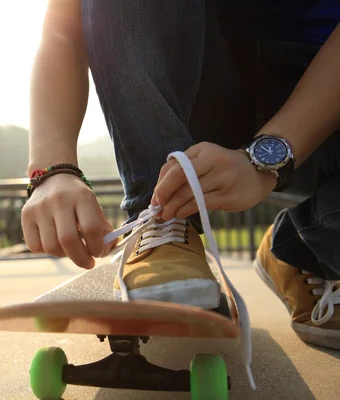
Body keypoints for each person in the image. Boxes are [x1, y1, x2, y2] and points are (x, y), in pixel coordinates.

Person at [21, 0, 340, 350]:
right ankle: (167, 225)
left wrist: (267, 158)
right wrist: (54, 170)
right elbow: (62, 26)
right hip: (200, 77)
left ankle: (306, 243)